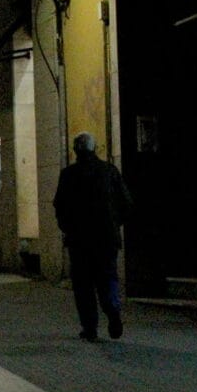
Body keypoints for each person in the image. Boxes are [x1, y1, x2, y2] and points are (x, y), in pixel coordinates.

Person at [54, 131, 132, 342]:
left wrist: (67, 228)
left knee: (83, 285)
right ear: (94, 148)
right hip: (107, 238)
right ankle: (113, 309)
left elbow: (59, 206)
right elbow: (126, 203)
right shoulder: (109, 171)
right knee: (108, 277)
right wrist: (115, 225)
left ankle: (90, 328)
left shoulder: (68, 175)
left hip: (79, 240)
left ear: (75, 150)